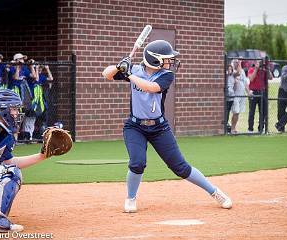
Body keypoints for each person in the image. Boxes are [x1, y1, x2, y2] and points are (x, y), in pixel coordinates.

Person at [102, 40, 232, 213]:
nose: (170, 62)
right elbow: (106, 74)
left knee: (180, 167)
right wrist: (119, 66)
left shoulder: (165, 75)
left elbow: (150, 88)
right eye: (166, 59)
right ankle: (131, 198)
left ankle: (214, 192)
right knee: (137, 163)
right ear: (154, 59)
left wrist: (128, 75)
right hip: (135, 127)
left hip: (159, 128)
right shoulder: (134, 69)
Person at [0, 89, 55, 232]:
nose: (17, 113)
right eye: (14, 109)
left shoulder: (2, 132)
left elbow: (8, 163)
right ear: (2, 109)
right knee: (11, 174)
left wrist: (42, 155)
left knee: (6, 176)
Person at [247, 59, 272, 133]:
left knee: (263, 112)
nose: (258, 63)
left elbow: (270, 77)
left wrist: (268, 69)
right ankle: (250, 129)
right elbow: (251, 79)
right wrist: (256, 69)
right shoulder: (251, 69)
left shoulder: (264, 70)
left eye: (259, 62)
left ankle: (261, 128)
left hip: (262, 92)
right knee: (252, 112)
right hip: (253, 92)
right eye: (257, 62)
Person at [231, 59, 249, 134]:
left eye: (237, 62)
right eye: (236, 62)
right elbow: (237, 73)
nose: (237, 63)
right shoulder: (232, 71)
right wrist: (239, 65)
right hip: (235, 95)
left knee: (238, 112)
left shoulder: (243, 71)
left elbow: (245, 83)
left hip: (242, 95)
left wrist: (248, 92)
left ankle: (234, 127)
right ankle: (232, 128)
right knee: (236, 112)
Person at [225, 64, 235, 133]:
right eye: (228, 69)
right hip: (227, 95)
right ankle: (225, 123)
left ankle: (227, 123)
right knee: (226, 110)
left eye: (230, 69)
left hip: (231, 96)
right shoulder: (225, 77)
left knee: (228, 110)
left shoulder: (232, 76)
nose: (229, 71)